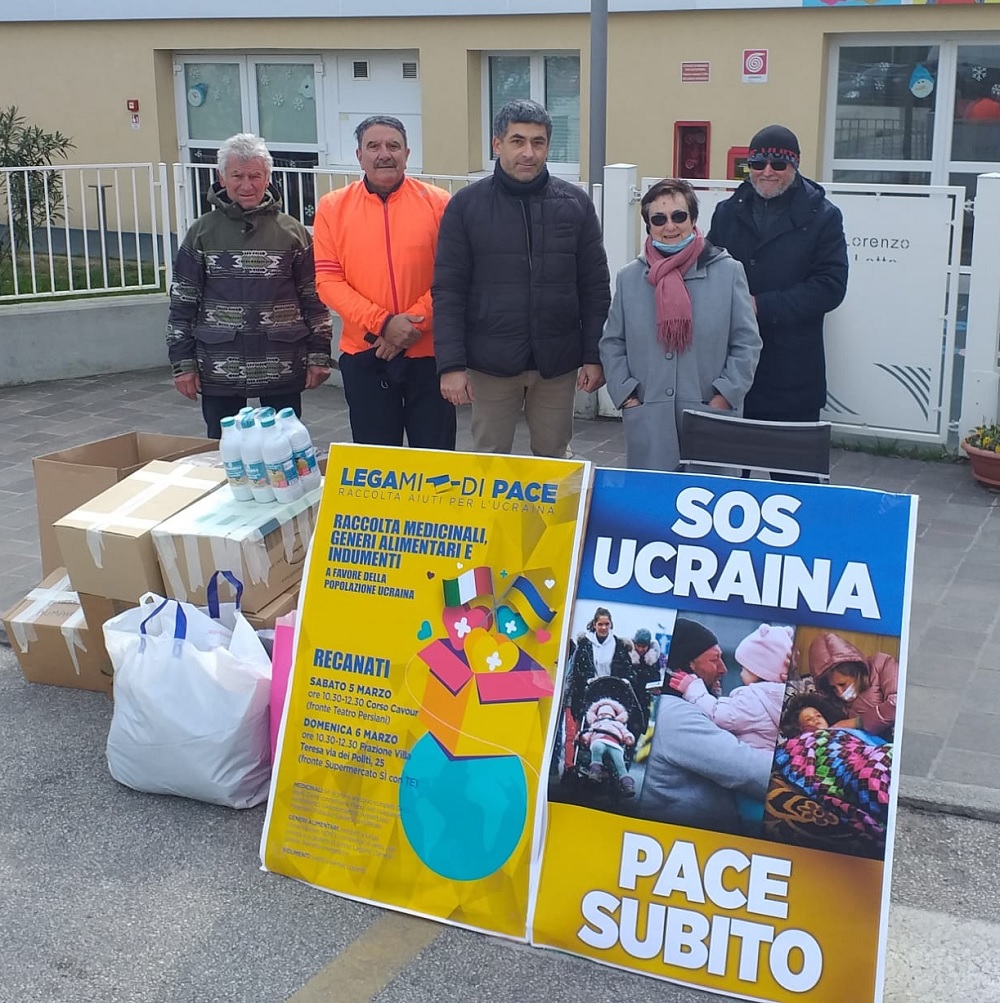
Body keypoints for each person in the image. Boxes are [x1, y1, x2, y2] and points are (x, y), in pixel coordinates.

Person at [432, 98, 611, 457]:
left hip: (556, 364)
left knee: (554, 463)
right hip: (490, 363)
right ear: (497, 144)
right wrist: (451, 366)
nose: (528, 152)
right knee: (489, 462)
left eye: (538, 142)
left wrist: (594, 354)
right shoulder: (466, 206)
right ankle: (493, 519)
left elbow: (594, 287)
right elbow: (448, 291)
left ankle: (550, 518)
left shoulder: (575, 204)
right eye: (517, 141)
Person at [167, 133, 333, 439]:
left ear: (267, 177)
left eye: (255, 176)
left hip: (282, 363)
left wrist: (319, 355)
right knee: (224, 453)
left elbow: (314, 299)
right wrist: (183, 364)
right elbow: (182, 305)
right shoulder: (201, 233)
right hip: (219, 365)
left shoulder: (292, 232)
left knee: (284, 448)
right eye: (238, 176)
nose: (247, 185)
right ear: (222, 177)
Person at [313, 115, 456, 450]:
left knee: (435, 464)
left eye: (393, 146)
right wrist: (384, 324)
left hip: (429, 355)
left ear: (407, 153)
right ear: (359, 155)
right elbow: (328, 281)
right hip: (366, 352)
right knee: (377, 465)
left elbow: (453, 278)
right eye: (373, 146)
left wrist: (409, 327)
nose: (384, 154)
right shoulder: (332, 207)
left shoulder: (439, 204)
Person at [600, 178, 761, 471]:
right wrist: (627, 397)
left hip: (710, 419)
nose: (669, 226)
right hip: (649, 419)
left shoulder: (728, 272)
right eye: (658, 219)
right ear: (648, 225)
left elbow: (747, 343)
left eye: (679, 216)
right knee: (651, 510)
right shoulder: (629, 278)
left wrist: (724, 397)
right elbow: (613, 342)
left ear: (693, 219)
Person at [707, 125, 848, 431]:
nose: (766, 172)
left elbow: (831, 287)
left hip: (793, 372)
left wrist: (761, 306)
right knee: (729, 473)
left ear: (794, 165)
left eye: (778, 164)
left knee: (793, 475)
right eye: (757, 164)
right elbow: (708, 272)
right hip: (732, 370)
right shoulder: (726, 212)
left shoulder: (824, 216)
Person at [638, 618, 772, 835]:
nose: (724, 669)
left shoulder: (682, 707)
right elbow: (749, 770)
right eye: (715, 660)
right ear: (687, 667)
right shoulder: (675, 713)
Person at [670, 623, 792, 751]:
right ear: (689, 663)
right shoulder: (777, 697)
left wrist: (693, 688)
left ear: (758, 671)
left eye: (744, 668)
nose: (725, 670)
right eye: (714, 660)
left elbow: (718, 714)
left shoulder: (752, 698)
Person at [808, 631, 898, 738]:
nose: (840, 693)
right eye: (833, 688)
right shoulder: (832, 701)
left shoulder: (881, 663)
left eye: (842, 684)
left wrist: (857, 723)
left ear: (855, 672)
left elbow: (898, 703)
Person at [579, 696, 637, 797]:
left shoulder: (617, 724)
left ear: (613, 715)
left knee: (619, 763)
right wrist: (583, 738)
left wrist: (628, 737)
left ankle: (627, 784)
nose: (604, 716)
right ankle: (595, 771)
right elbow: (588, 734)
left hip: (614, 743)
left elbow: (625, 732)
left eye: (606, 714)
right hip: (599, 740)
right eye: (601, 714)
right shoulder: (596, 724)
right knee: (596, 748)